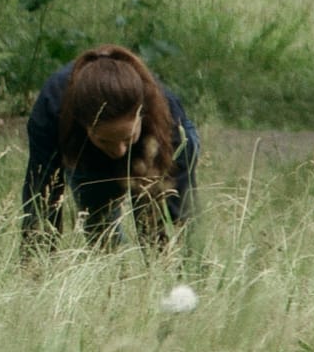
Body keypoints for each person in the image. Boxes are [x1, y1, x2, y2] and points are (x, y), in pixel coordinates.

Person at [21, 44, 199, 255]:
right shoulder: (51, 110)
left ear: (141, 114)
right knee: (102, 239)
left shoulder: (168, 120)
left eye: (127, 138)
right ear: (84, 124)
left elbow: (178, 224)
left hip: (154, 144)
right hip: (89, 154)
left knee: (159, 238)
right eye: (106, 141)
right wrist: (36, 264)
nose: (119, 151)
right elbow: (40, 203)